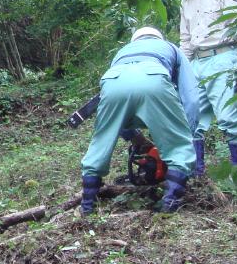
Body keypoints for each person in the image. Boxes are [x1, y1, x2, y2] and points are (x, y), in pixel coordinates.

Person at [141, 0, 237, 174]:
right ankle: (197, 172)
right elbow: (185, 39)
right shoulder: (186, 0)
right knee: (191, 117)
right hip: (197, 64)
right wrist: (179, 69)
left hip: (223, 56)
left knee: (227, 115)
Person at [80, 27, 201, 215]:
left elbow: (114, 117)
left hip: (113, 83)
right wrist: (187, 133)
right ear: (158, 38)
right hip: (154, 81)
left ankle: (87, 205)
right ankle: (170, 202)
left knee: (100, 142)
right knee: (179, 147)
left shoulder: (122, 53)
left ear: (134, 41)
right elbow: (191, 97)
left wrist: (133, 137)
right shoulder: (171, 49)